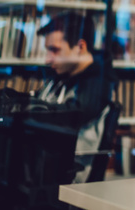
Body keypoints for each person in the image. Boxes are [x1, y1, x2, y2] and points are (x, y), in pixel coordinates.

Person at [37, 11, 116, 183]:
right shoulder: (62, 78)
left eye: (55, 50)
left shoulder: (97, 86)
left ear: (80, 47)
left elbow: (67, 118)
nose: (47, 60)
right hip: (45, 171)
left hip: (67, 182)